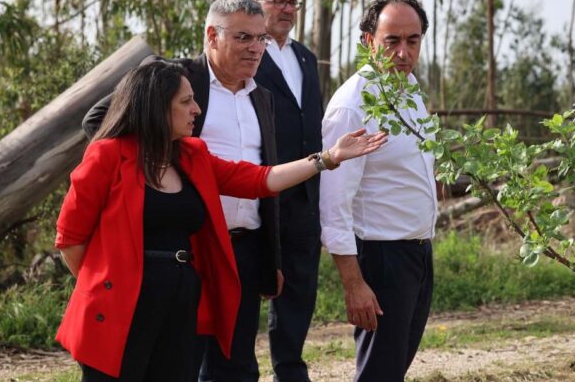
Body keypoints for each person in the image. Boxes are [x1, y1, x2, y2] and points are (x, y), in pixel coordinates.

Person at [56, 59, 387, 382]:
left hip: (181, 302)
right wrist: (108, 285)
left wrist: (328, 158)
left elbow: (258, 179)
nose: (196, 109)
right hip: (120, 308)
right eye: (186, 102)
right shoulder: (107, 155)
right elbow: (70, 240)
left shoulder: (192, 155)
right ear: (157, 107)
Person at [82, 0, 280, 381]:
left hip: (242, 249)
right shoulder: (175, 78)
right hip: (185, 249)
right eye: (243, 37)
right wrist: (158, 162)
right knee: (179, 365)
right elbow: (100, 119)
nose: (255, 48)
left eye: (261, 39)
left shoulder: (263, 95)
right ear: (212, 36)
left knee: (237, 366)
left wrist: (271, 258)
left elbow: (262, 176)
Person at [319, 0, 439, 382]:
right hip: (381, 258)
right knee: (378, 375)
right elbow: (334, 205)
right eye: (392, 41)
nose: (403, 53)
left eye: (413, 40)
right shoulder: (353, 106)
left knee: (393, 370)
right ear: (369, 41)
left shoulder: (411, 91)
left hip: (417, 254)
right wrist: (354, 285)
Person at [252, 0, 323, 382]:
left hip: (302, 195)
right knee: (246, 287)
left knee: (299, 291)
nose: (286, 9)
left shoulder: (305, 58)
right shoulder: (247, 54)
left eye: (292, 2)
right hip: (256, 189)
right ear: (256, 3)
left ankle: (289, 370)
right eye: (276, 1)